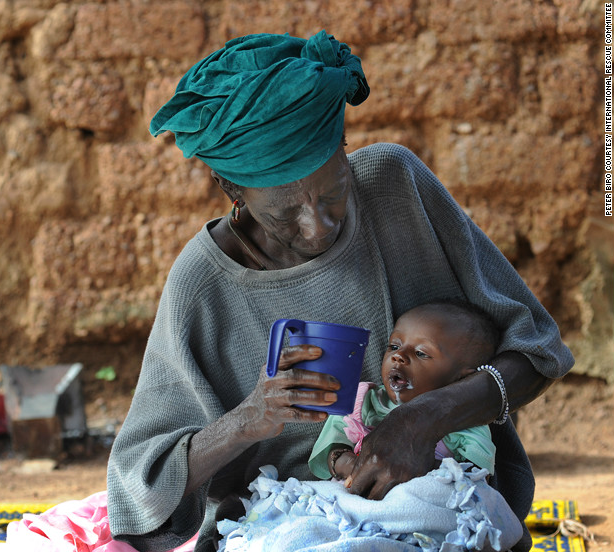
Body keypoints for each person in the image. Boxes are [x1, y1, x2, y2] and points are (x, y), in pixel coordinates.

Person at [105, 30, 574, 552]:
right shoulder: (204, 283)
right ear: (233, 191)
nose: (318, 227)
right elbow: (134, 492)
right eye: (285, 213)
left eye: (334, 193)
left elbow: (539, 353)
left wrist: (425, 418)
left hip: (435, 518)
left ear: (345, 150)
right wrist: (245, 422)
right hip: (283, 528)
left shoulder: (395, 185)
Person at [309, 300, 501, 483]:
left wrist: (427, 470)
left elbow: (478, 479)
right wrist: (346, 463)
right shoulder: (363, 401)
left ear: (462, 379)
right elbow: (331, 449)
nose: (398, 356)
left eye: (421, 353)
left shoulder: (465, 424)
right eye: (394, 346)